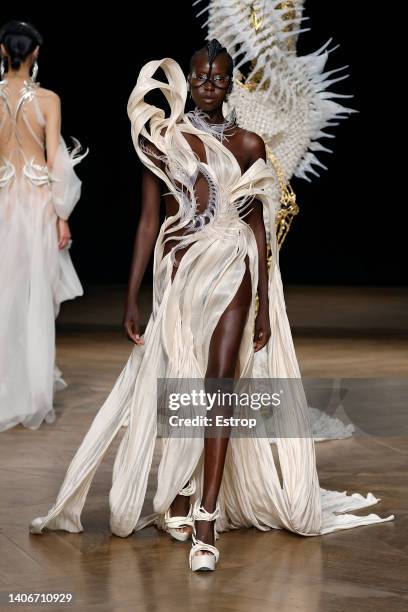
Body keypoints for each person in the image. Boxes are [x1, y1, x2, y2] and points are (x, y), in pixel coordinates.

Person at [30, 40, 394, 572]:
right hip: (181, 276)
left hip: (235, 270)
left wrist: (265, 306)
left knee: (220, 384)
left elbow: (258, 228)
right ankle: (180, 494)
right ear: (190, 80)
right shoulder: (165, 141)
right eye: (200, 75)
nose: (207, 84)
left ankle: (205, 516)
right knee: (184, 383)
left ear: (230, 85)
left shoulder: (249, 144)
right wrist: (133, 295)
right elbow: (149, 222)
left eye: (218, 77)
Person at [0, 20, 87, 432]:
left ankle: (10, 387)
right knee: (32, 294)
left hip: (3, 201)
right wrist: (62, 214)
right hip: (35, 205)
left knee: (6, 292)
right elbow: (57, 161)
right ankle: (32, 392)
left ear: (3, 52)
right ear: (35, 54)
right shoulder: (48, 100)